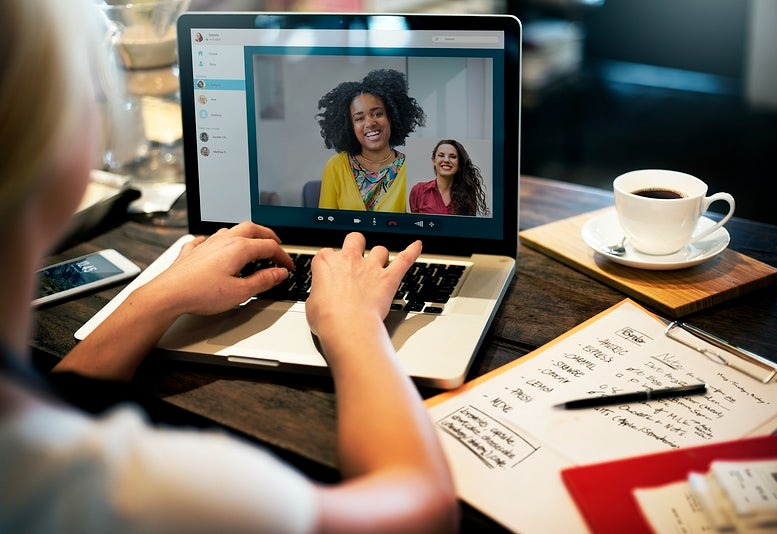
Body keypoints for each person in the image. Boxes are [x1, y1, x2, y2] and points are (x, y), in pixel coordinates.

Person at [0, 1, 458, 532]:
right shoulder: (149, 489)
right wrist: (353, 325)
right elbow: (422, 510)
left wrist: (155, 297)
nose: (369, 123)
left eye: (377, 113)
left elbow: (64, 401)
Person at [316, 69, 425, 212]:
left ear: (391, 117)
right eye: (359, 118)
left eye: (377, 114)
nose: (370, 123)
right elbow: (325, 227)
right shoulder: (335, 166)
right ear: (350, 126)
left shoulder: (413, 169)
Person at [409, 139, 489, 216]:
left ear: (459, 164)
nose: (446, 160)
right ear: (434, 160)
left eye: (453, 157)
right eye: (441, 155)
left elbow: (467, 227)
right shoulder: (418, 190)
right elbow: (416, 226)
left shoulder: (468, 194)